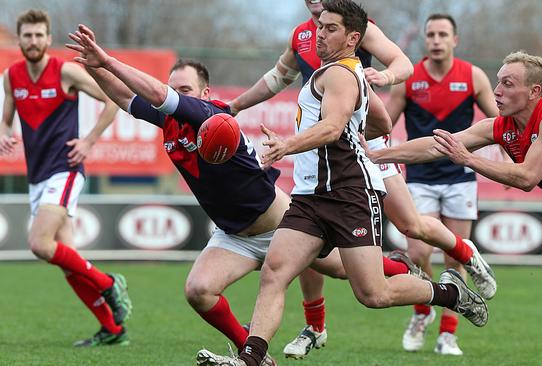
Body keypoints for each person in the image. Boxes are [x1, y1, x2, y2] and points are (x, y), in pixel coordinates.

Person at [66, 22, 425, 364]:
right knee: (198, 290)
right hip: (233, 234)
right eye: (176, 89)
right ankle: (253, 355)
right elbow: (126, 96)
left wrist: (109, 60)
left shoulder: (215, 117)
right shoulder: (168, 120)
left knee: (347, 271)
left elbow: (159, 94)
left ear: (205, 94)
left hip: (279, 224)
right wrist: (95, 66)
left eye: (186, 90)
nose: (177, 95)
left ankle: (400, 266)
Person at [196, 2, 488, 365]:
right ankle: (251, 358)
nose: (320, 33)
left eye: (330, 28)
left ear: (353, 38)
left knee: (373, 294)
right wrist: (360, 127)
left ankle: (447, 294)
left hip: (350, 195)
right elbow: (380, 122)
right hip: (308, 197)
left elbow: (333, 127)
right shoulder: (333, 71)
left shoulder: (341, 74)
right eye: (320, 27)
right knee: (274, 272)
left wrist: (289, 144)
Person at [366, 50, 542, 366]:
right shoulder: (501, 126)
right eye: (498, 82)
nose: (497, 91)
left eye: (507, 84)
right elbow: (439, 145)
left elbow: (527, 177)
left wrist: (469, 159)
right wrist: (379, 155)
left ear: (534, 91)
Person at [0, 9, 131, 347]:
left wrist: (89, 141)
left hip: (65, 170)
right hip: (37, 178)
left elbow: (112, 101)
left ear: (48, 38)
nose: (33, 41)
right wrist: (3, 131)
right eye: (27, 35)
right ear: (20, 39)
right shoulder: (11, 77)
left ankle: (107, 282)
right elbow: (7, 116)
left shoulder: (66, 72)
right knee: (68, 260)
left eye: (39, 34)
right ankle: (113, 330)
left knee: (39, 244)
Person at [385, 13, 499, 355]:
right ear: (425, 40)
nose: (436, 40)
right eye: (430, 34)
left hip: (460, 177)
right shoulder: (408, 79)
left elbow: (499, 121)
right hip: (419, 176)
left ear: (455, 40)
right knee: (418, 251)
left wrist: (510, 157)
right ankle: (422, 310)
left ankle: (448, 333)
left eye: (442, 34)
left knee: (455, 256)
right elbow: (385, 123)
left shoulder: (473, 76)